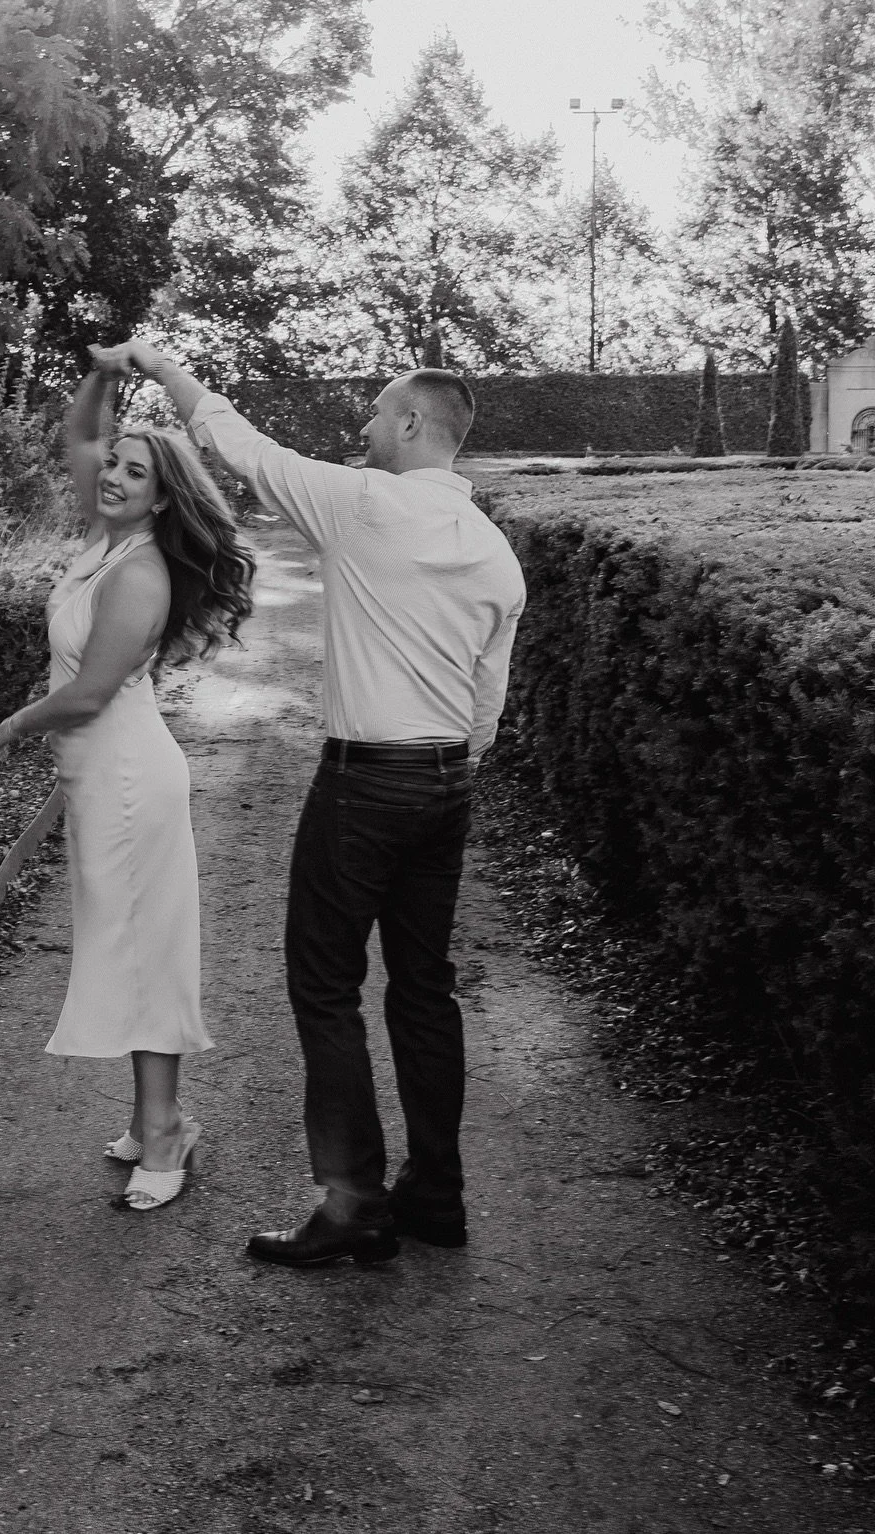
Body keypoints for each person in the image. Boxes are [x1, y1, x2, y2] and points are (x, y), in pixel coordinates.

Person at [113, 336, 526, 1266]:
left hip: (366, 780)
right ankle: (438, 1197)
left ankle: (353, 1205)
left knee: (325, 986)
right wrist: (450, 764)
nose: (365, 426)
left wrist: (159, 367)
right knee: (425, 989)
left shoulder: (364, 505)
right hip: (447, 781)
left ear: (414, 423)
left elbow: (240, 445)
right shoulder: (496, 550)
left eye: (379, 412)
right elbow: (488, 699)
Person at [0, 359, 255, 1211]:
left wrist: (16, 721)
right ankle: (151, 1120)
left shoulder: (139, 572)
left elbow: (92, 691)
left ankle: (168, 1130)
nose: (112, 476)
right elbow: (79, 436)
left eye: (136, 472)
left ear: (163, 498)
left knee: (144, 953)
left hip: (131, 778)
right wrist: (105, 373)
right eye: (115, 466)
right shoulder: (107, 536)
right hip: (100, 778)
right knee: (124, 943)